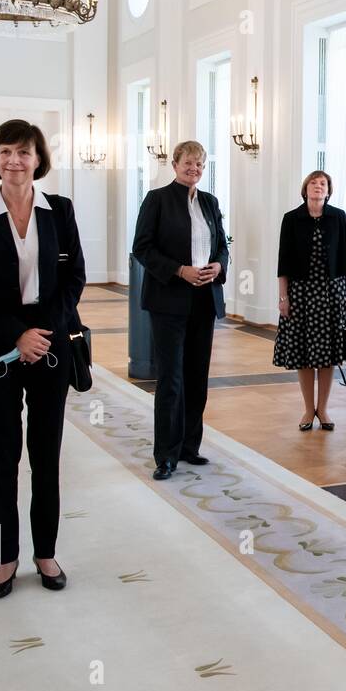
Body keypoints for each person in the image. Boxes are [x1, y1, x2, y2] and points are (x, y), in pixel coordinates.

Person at [0, 119, 85, 598]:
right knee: (3, 453)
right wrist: (18, 334)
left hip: (50, 344)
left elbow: (74, 279)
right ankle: (6, 557)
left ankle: (45, 552)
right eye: (6, 151)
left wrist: (41, 333)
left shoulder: (60, 210)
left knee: (46, 452)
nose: (14, 160)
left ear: (38, 160)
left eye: (24, 152)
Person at [131, 140, 228, 481]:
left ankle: (190, 446)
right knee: (171, 379)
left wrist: (219, 266)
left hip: (204, 300)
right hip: (168, 301)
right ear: (174, 164)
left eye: (200, 164)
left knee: (196, 377)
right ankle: (166, 454)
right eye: (189, 163)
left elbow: (222, 246)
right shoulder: (156, 200)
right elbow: (141, 247)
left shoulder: (210, 202)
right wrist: (179, 270)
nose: (195, 169)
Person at [274, 171, 346, 430]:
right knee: (304, 353)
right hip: (301, 294)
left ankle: (324, 409)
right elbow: (283, 261)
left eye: (323, 184)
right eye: (314, 183)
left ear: (328, 191)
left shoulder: (339, 217)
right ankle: (309, 410)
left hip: (333, 292)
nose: (318, 187)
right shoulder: (291, 219)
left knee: (328, 354)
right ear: (305, 189)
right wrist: (283, 296)